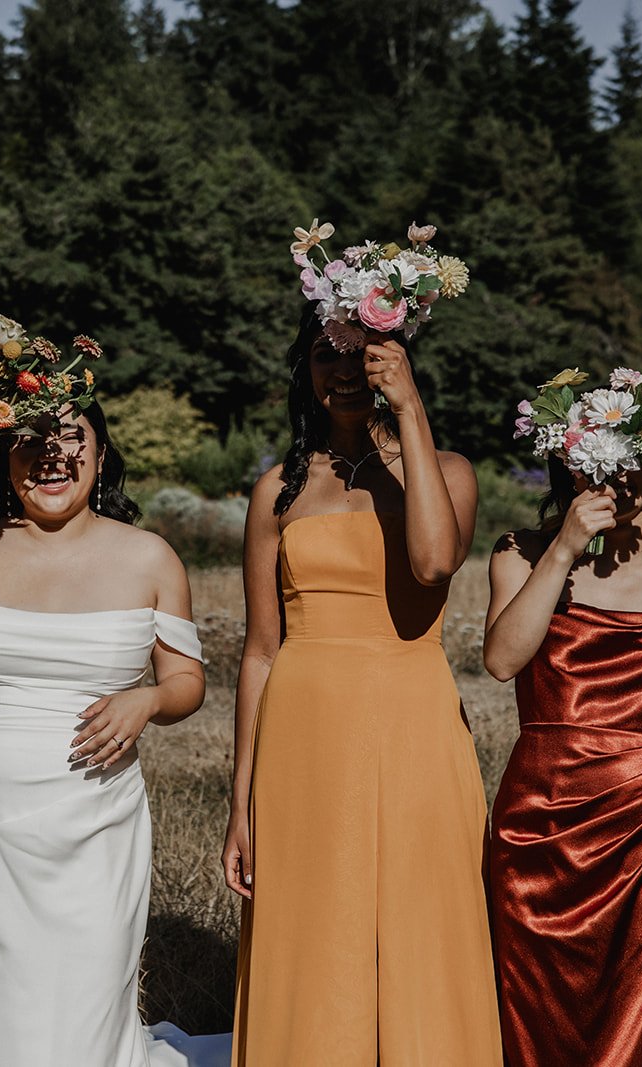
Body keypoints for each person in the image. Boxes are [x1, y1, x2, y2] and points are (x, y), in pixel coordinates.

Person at [224, 305, 503, 1065]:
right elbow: (257, 651)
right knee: (316, 929)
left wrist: (409, 409)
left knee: (424, 921)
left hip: (413, 718)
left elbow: (433, 565)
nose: (343, 370)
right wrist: (240, 799)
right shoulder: (276, 491)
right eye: (324, 354)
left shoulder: (447, 473)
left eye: (364, 352)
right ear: (304, 371)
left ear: (398, 359)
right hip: (304, 735)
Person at [0, 402, 206, 1067]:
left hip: (97, 820)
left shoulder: (150, 557)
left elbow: (187, 684)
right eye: (31, 440)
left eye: (72, 437)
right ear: (6, 460)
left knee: (87, 995)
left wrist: (146, 699)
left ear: (99, 451)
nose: (53, 453)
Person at [483, 444, 642, 1064]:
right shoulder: (519, 553)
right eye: (598, 464)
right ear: (570, 467)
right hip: (537, 827)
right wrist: (565, 548)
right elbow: (501, 661)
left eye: (633, 462)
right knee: (526, 1014)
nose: (617, 480)